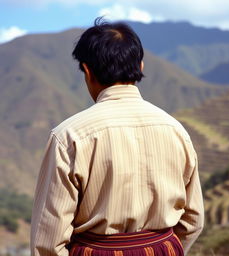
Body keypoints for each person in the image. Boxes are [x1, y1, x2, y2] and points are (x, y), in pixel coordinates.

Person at [30, 18, 204, 256]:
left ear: (87, 71)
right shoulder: (175, 130)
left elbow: (48, 242)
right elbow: (193, 220)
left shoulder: (69, 137)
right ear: (140, 67)